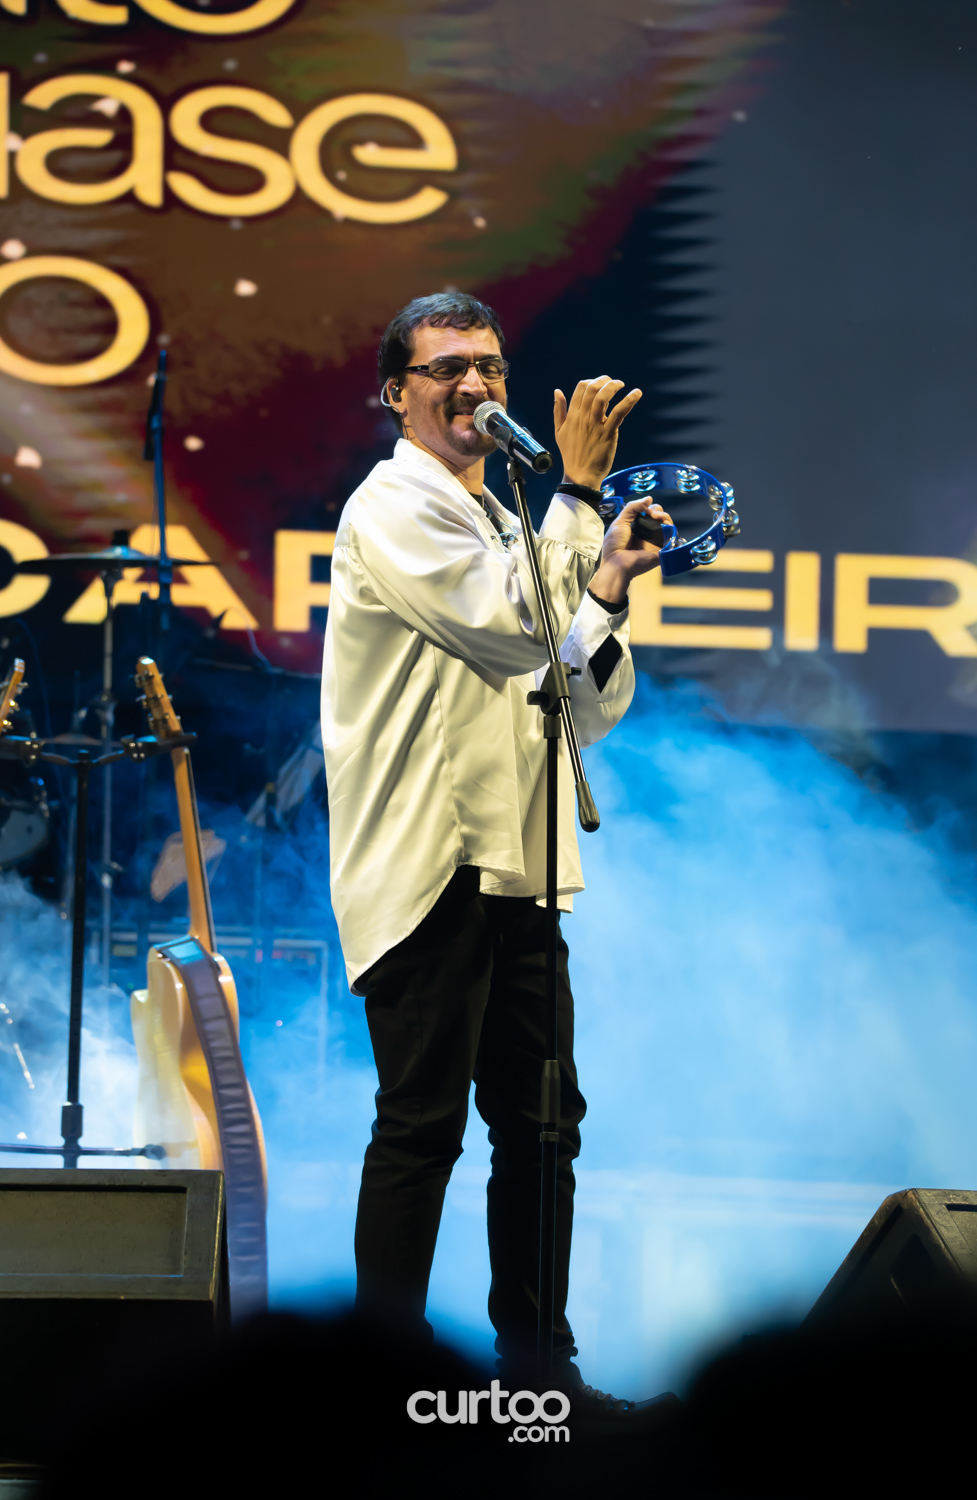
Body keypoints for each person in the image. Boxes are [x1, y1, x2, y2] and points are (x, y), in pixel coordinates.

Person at [320, 291, 671, 1417]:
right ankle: (378, 1390)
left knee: (542, 1129)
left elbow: (578, 699)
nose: (474, 384)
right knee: (420, 1127)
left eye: (490, 365)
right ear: (397, 394)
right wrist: (577, 498)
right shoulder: (392, 507)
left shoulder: (508, 520)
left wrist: (604, 583)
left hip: (523, 862)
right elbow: (513, 635)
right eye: (445, 369)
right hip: (430, 864)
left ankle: (536, 1378)